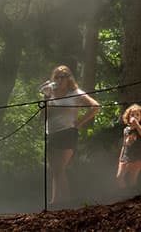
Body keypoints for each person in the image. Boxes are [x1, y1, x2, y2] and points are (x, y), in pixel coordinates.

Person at [40, 64, 99, 206]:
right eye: (57, 77)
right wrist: (46, 97)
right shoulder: (51, 94)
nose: (60, 80)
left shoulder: (76, 93)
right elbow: (43, 116)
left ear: (68, 78)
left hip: (68, 133)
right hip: (52, 133)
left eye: (63, 77)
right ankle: (55, 202)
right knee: (55, 169)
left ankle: (66, 202)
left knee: (60, 167)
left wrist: (80, 122)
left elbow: (95, 106)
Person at [116, 103, 141, 189]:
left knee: (132, 179)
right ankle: (124, 193)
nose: (135, 116)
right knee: (119, 177)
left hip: (137, 157)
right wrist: (120, 157)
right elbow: (124, 144)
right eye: (132, 114)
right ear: (128, 117)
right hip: (126, 157)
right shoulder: (126, 130)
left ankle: (132, 195)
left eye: (137, 114)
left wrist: (137, 125)